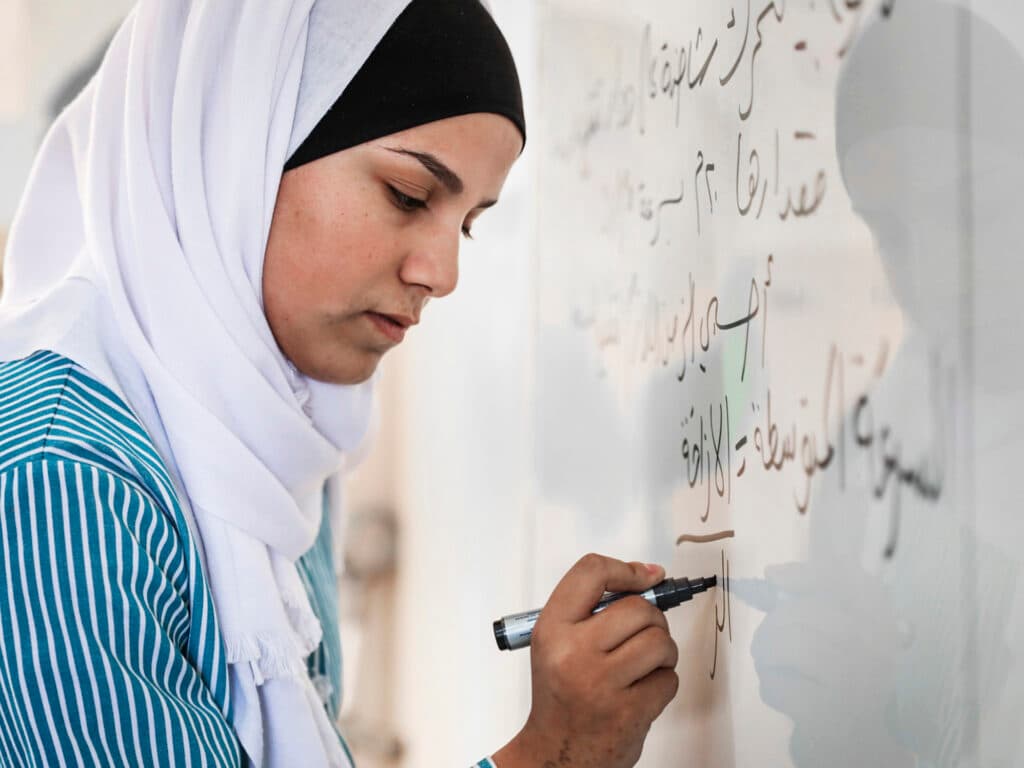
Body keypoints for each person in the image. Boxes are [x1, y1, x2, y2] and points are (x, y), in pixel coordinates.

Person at [0, 1, 679, 766]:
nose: (443, 274)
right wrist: (551, 754)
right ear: (241, 149)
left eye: (468, 223)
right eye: (408, 195)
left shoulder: (273, 444)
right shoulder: (64, 479)